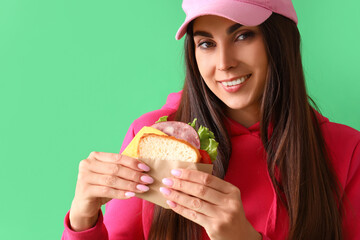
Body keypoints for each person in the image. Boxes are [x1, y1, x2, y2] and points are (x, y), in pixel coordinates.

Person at [61, 0, 360, 239]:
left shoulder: (346, 149)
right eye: (206, 43)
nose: (224, 63)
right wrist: (82, 220)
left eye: (243, 35)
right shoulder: (154, 136)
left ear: (279, 40)